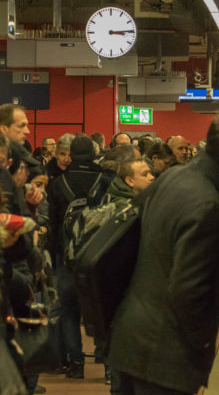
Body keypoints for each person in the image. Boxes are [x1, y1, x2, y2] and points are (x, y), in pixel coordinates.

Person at [108, 113, 219, 395]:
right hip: (165, 354)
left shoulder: (172, 178)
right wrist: (197, 351)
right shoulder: (207, 205)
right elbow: (188, 290)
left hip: (132, 335)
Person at [47, 135, 114, 379]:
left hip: (67, 259)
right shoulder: (106, 181)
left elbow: (53, 228)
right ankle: (107, 367)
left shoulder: (57, 184)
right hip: (99, 260)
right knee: (103, 313)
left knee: (69, 313)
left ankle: (76, 364)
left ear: (71, 155)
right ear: (95, 154)